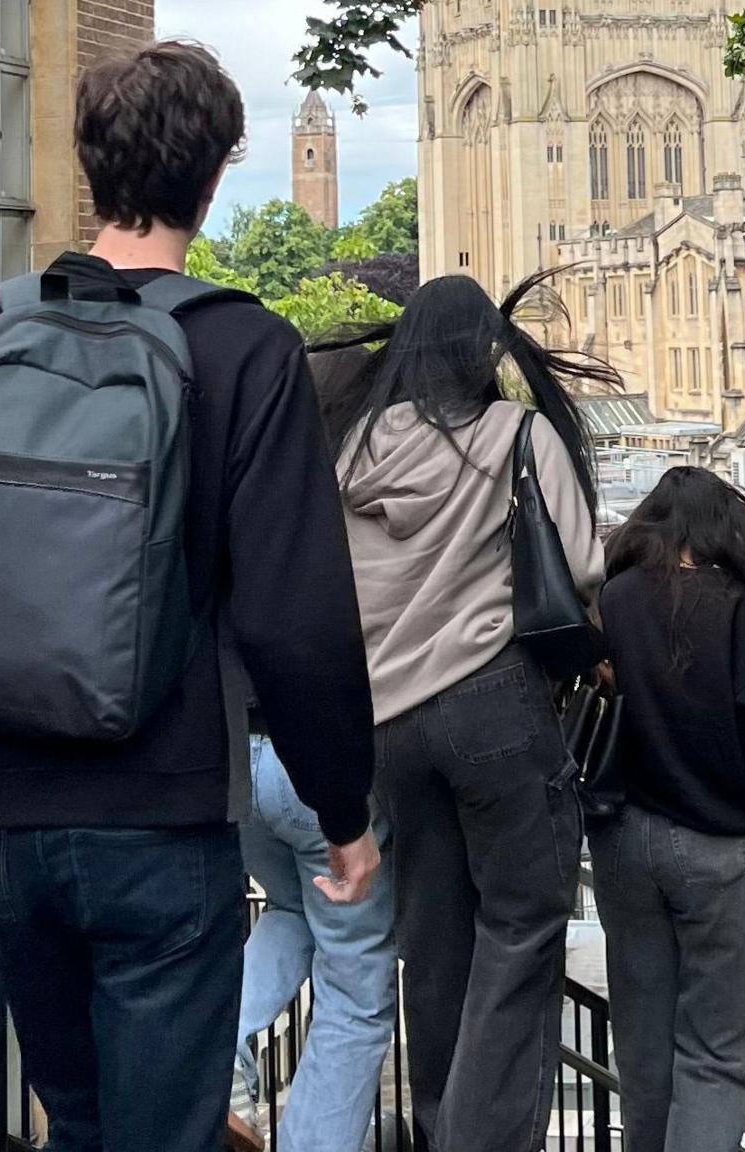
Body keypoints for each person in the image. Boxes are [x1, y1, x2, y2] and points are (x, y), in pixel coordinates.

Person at [0, 41, 380, 1152]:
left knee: (80, 1124)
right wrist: (342, 814)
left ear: (88, 166)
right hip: (160, 822)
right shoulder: (245, 349)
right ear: (216, 176)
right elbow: (293, 619)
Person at [314, 272, 608, 1152]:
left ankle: (439, 1121)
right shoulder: (516, 435)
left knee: (434, 944)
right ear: (482, 350)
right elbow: (583, 567)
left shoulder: (353, 451)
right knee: (521, 927)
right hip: (495, 703)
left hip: (389, 725)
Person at [592, 467, 745, 1152]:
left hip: (623, 841)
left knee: (643, 1050)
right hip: (717, 851)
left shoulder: (616, 599)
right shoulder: (739, 612)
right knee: (715, 1056)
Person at [229, 346, 399, 1152]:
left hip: (234, 761)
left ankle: (222, 1056)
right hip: (314, 770)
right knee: (359, 987)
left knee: (295, 908)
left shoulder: (248, 484)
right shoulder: (358, 503)